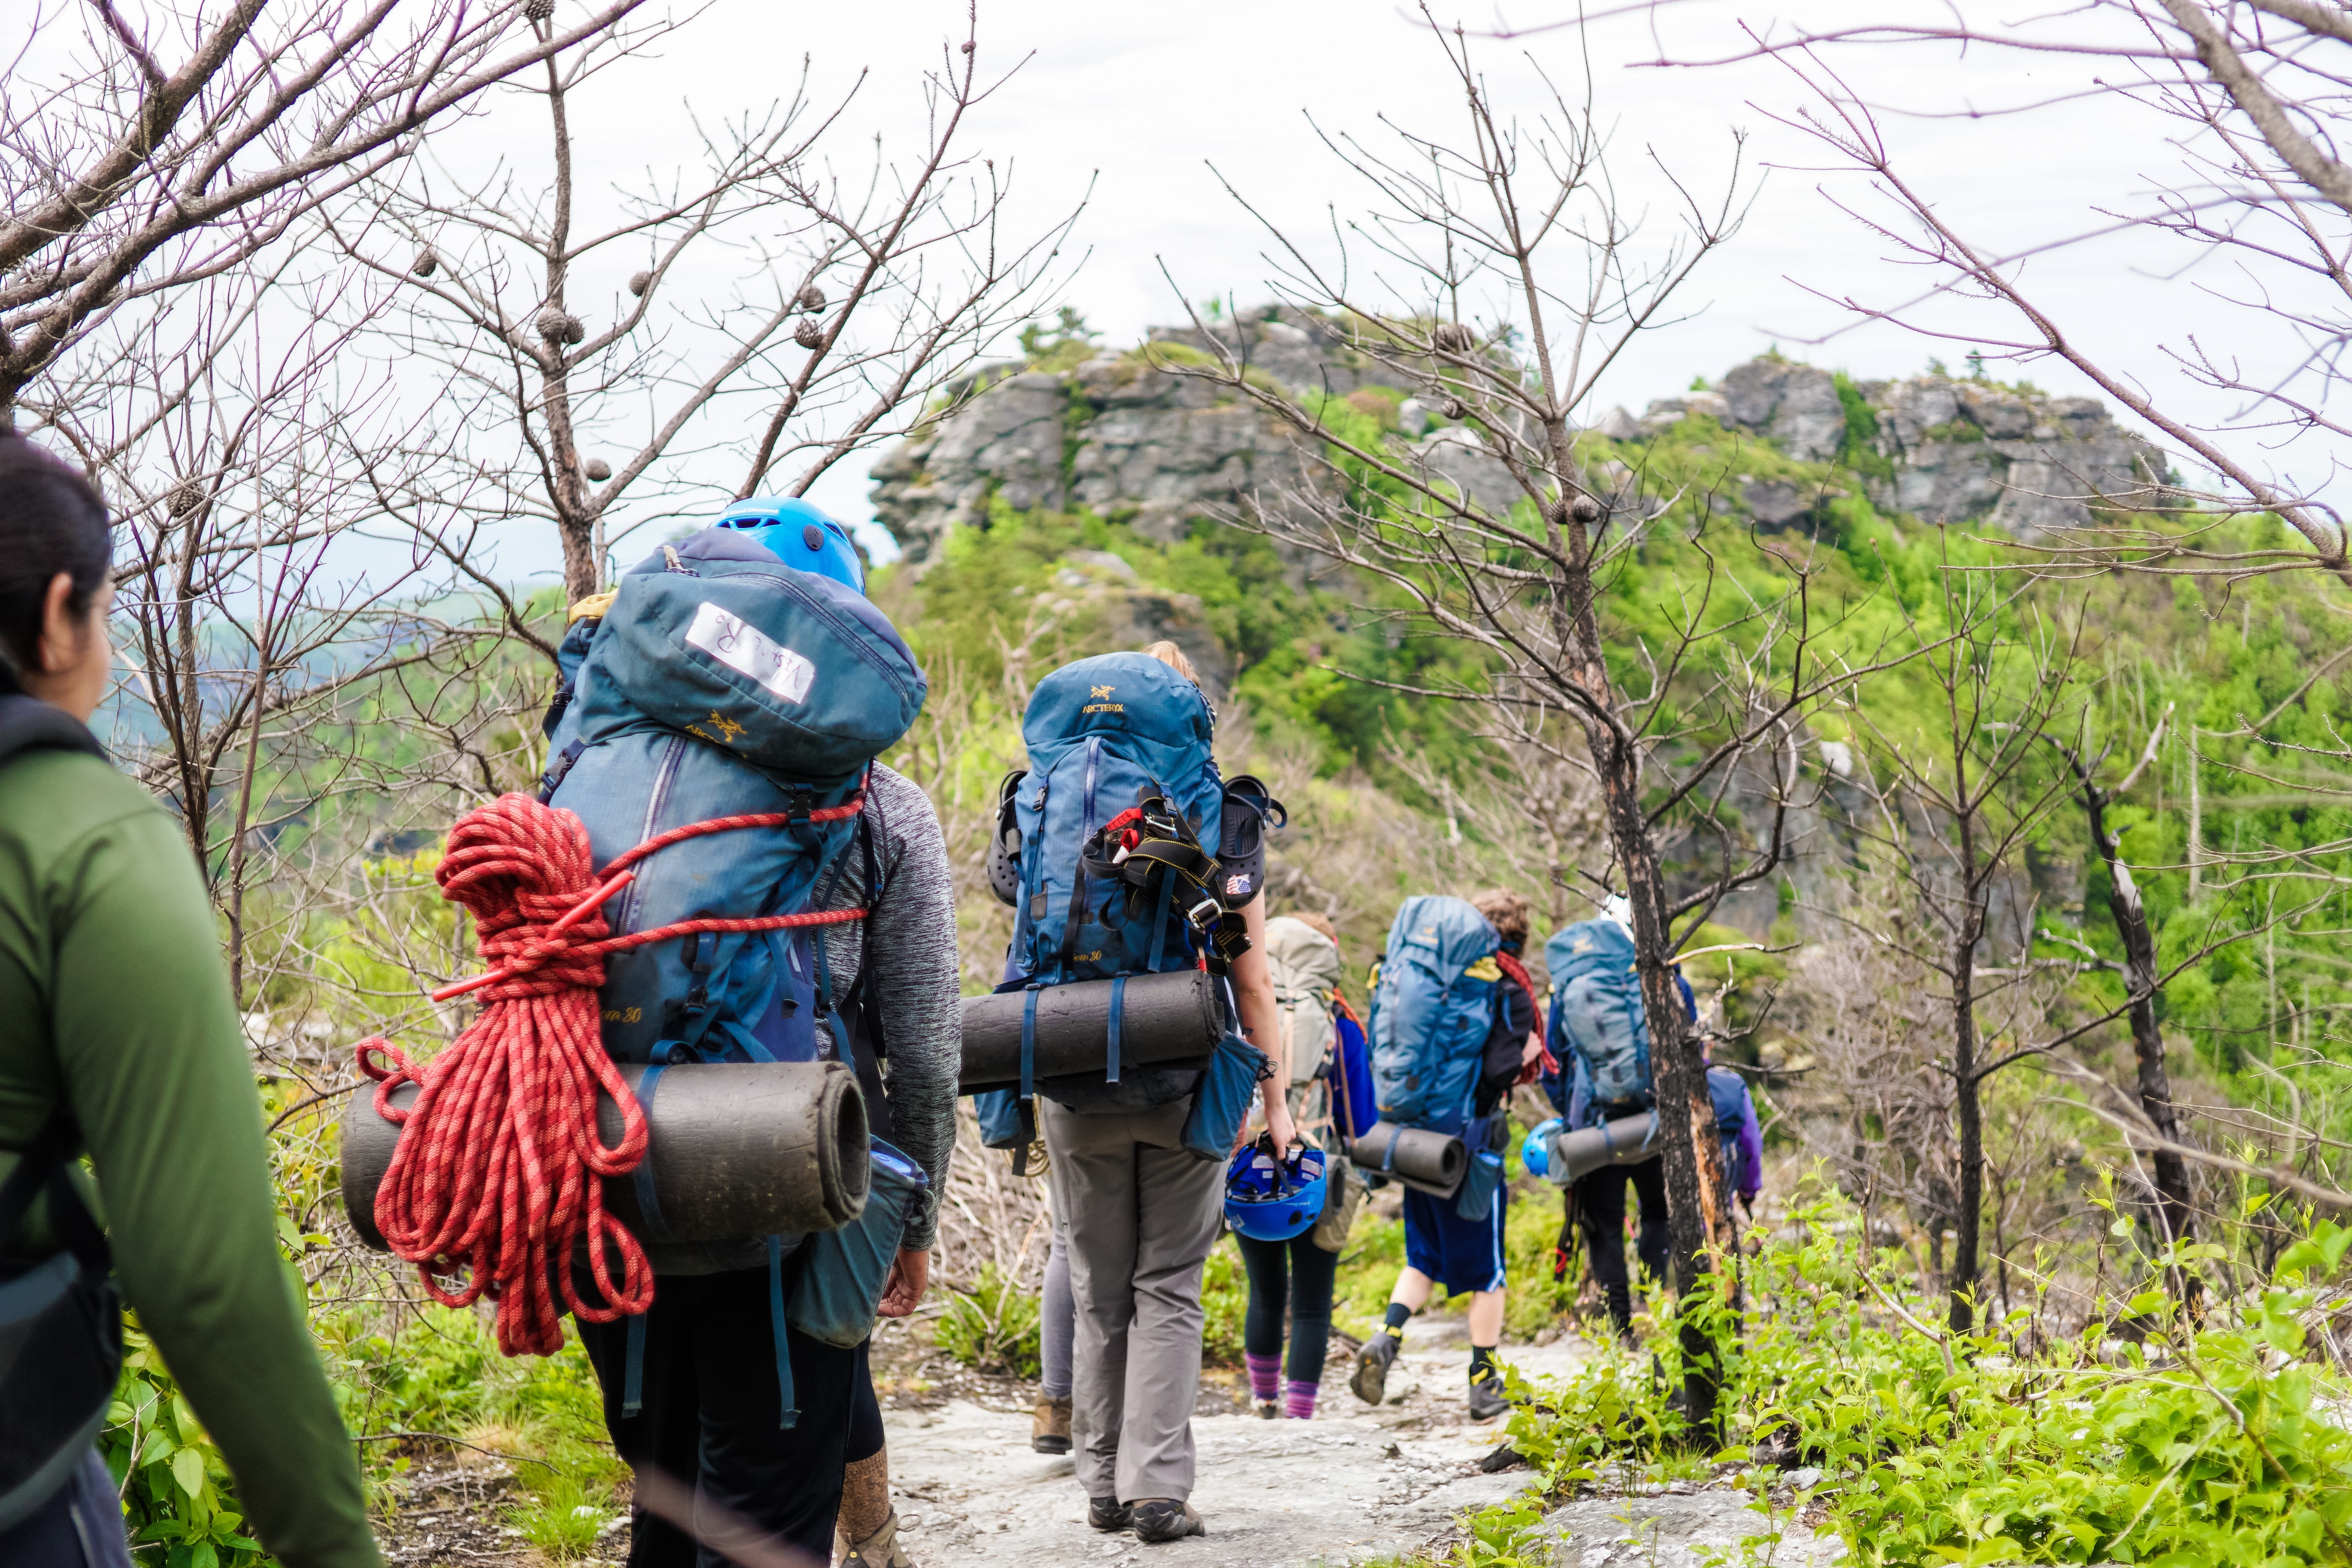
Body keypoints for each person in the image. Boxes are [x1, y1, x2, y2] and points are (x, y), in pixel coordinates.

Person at [0, 434, 381, 1566]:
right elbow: (205, 1274)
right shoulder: (84, 840)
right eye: (107, 611)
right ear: (60, 611)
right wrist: (333, 1547)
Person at [563, 503, 960, 1568]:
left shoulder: (594, 780)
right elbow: (923, 1047)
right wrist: (912, 1214)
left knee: (668, 1509)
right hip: (791, 1194)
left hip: (608, 1187)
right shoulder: (884, 808)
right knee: (770, 1524)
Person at [1029, 641, 1295, 1546]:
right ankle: (1157, 1490)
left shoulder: (1046, 798)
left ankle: (1101, 1484)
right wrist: (1279, 1104)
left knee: (1101, 1285)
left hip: (1068, 1065)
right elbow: (1254, 982)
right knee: (1168, 1286)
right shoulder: (1222, 814)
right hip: (1185, 1067)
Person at [1350, 890, 1543, 1424]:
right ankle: (1483, 1384)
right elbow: (1500, 1072)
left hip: (1413, 1143)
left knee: (1423, 1258)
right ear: (1519, 942)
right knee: (1489, 1272)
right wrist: (1527, 1053)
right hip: (1466, 1150)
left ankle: (1386, 1340)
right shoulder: (1505, 989)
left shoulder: (1432, 978)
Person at [1235, 912, 1349, 1420]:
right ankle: (1300, 1415)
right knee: (1311, 1301)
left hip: (1250, 1166)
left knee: (1264, 1291)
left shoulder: (1243, 1005)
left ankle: (1263, 1400)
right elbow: (1360, 1114)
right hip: (1315, 1168)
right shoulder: (1336, 1018)